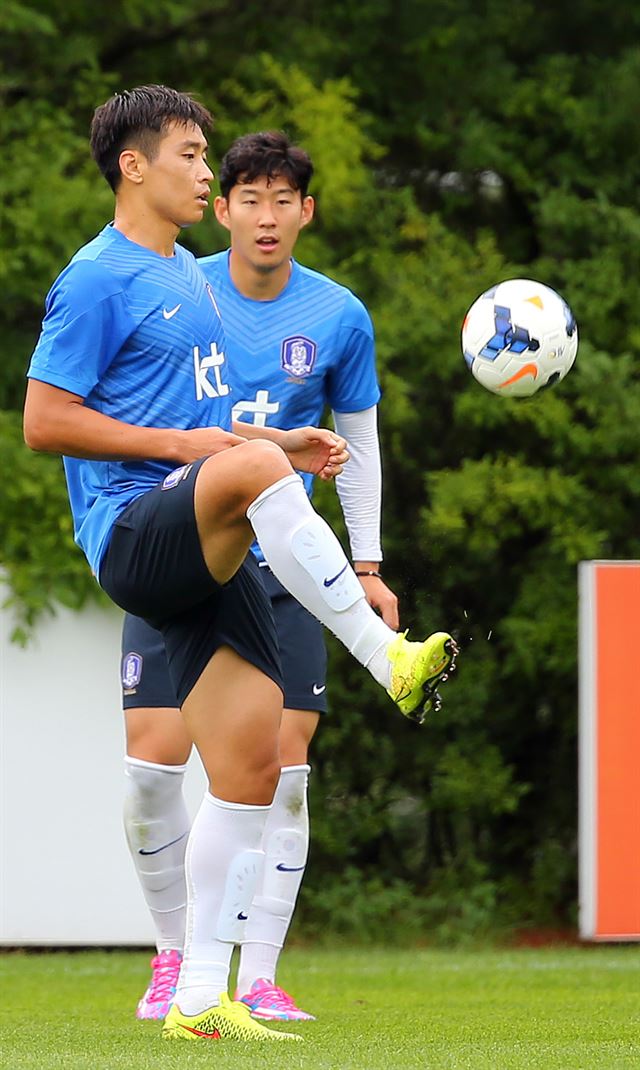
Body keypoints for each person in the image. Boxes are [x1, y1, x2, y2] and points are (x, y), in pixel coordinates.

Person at [24, 85, 457, 1043]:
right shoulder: (99, 276)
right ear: (134, 166)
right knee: (249, 466)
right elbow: (42, 422)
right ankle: (385, 659)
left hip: (202, 542)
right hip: (133, 532)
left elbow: (201, 429)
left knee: (253, 766)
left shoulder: (186, 272)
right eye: (189, 154)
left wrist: (270, 448)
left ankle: (199, 1004)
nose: (206, 172)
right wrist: (207, 456)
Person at [123, 130, 401, 1023]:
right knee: (151, 768)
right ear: (227, 208)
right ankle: (174, 959)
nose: (267, 215)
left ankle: (258, 977)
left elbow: (356, 445)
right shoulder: (182, 288)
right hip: (192, 550)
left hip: (288, 565)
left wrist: (367, 562)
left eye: (284, 199)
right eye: (249, 197)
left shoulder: (339, 315)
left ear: (305, 211)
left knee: (283, 770)